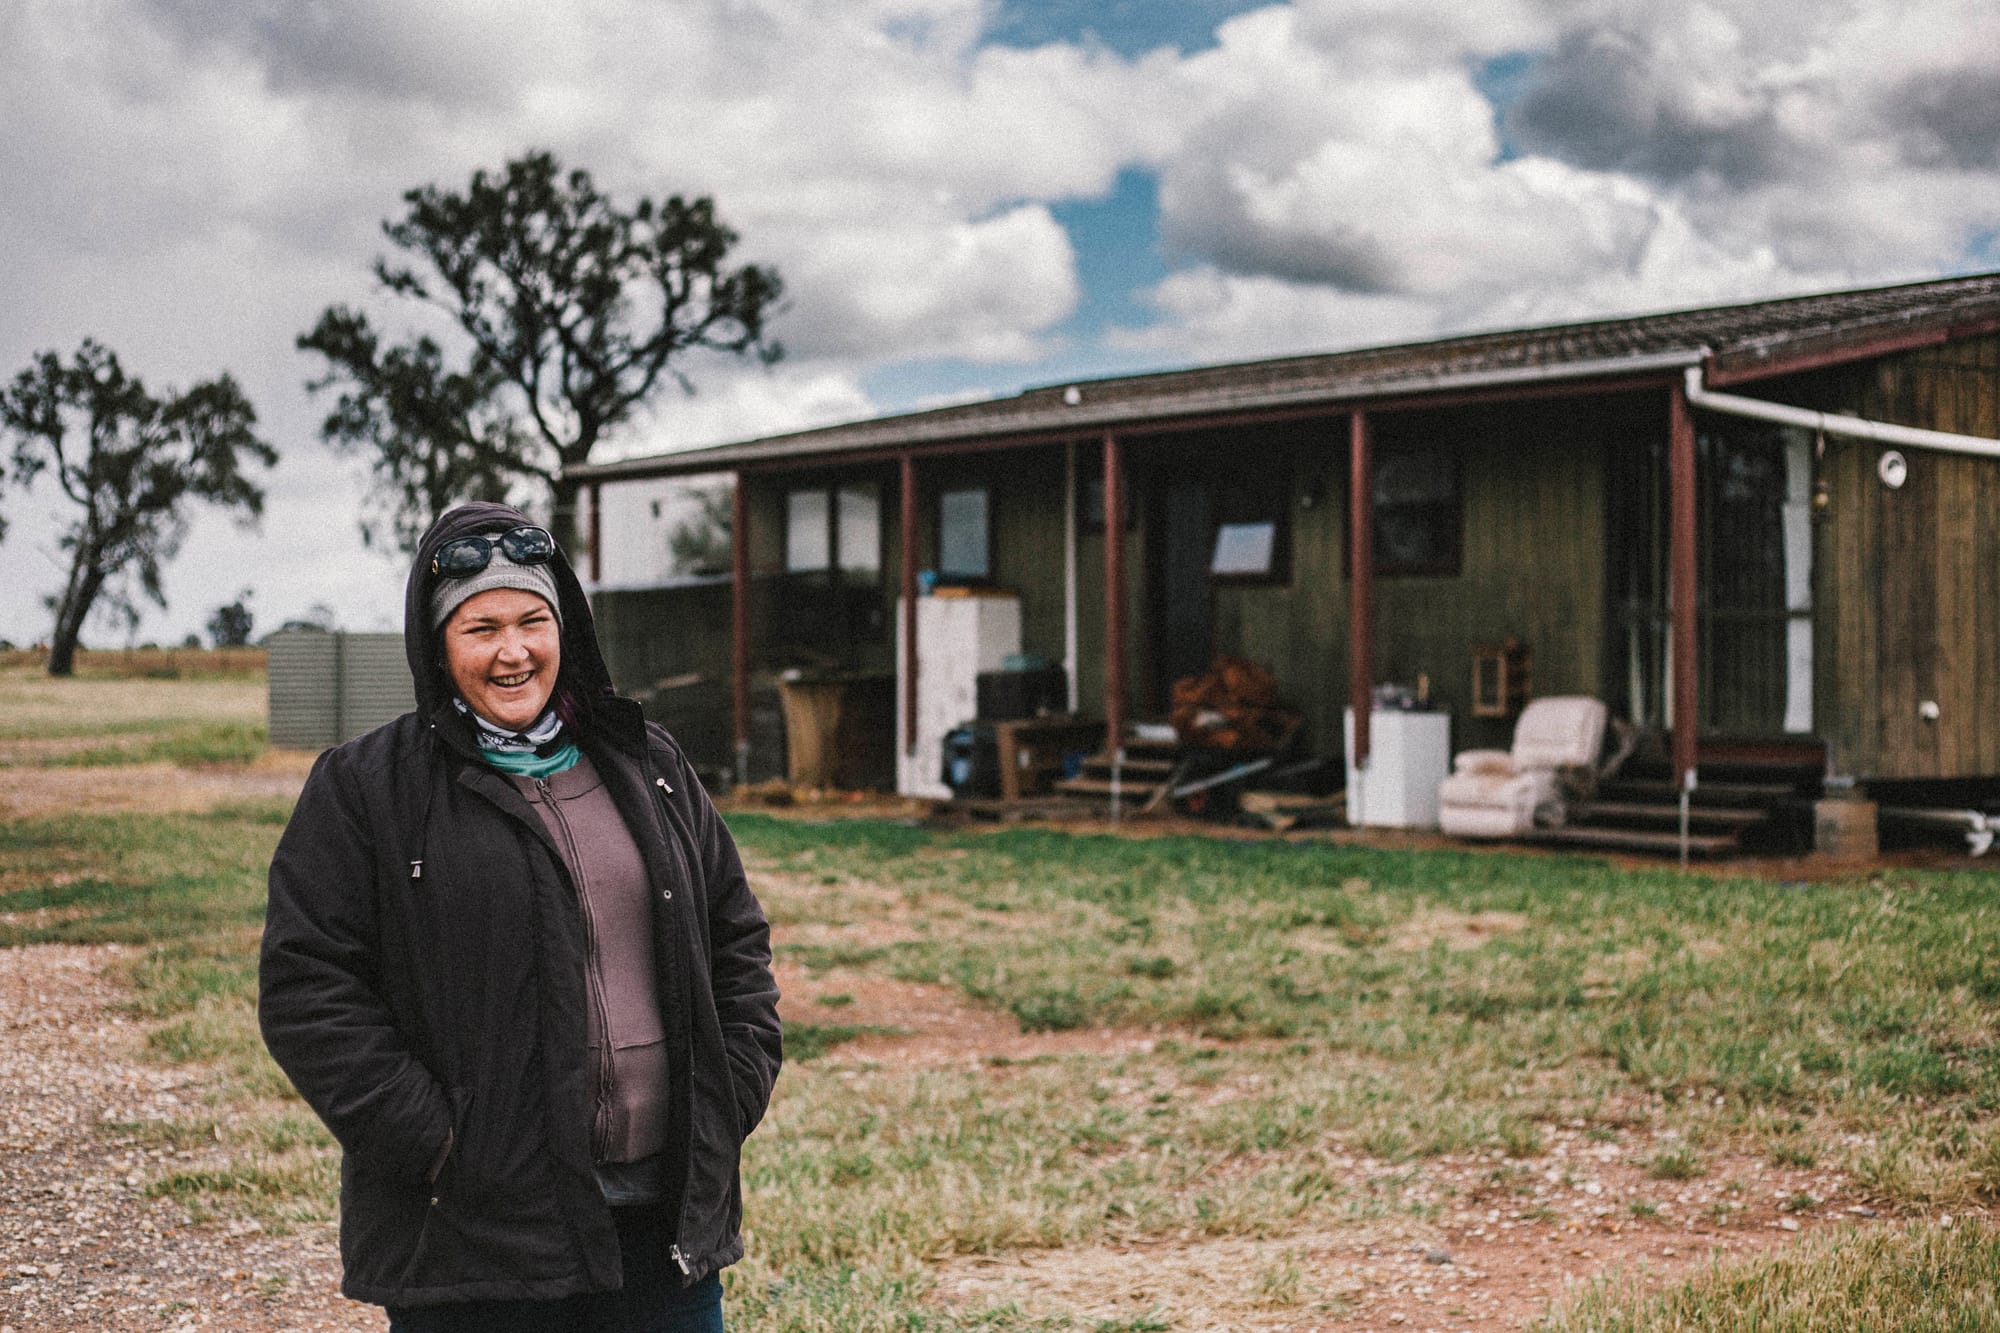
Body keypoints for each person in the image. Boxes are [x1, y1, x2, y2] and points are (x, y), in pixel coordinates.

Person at [259, 501, 780, 1332]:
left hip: (660, 1226)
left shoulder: (646, 761)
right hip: (474, 1241)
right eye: (482, 627)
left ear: (564, 628)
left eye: (533, 621)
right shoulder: (369, 789)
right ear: (438, 645)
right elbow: (308, 989)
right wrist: (437, 1144)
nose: (514, 651)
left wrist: (729, 1092)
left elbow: (735, 936)